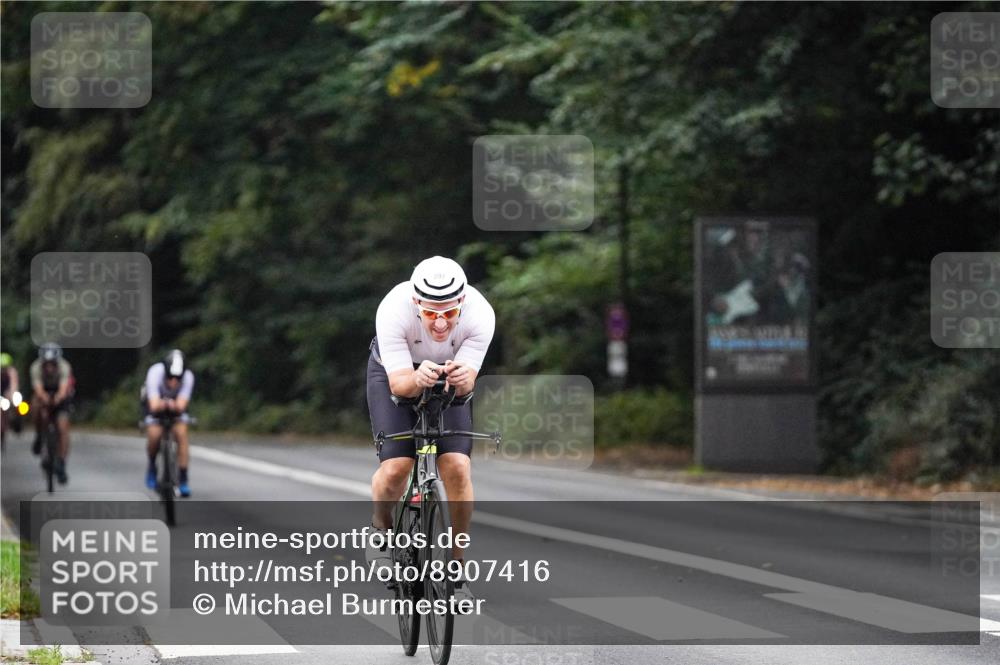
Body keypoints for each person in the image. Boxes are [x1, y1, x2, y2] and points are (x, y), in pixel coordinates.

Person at [365, 256, 495, 585]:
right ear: (416, 303)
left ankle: (456, 567)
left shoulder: (480, 314)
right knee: (397, 466)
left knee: (458, 468)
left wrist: (463, 380)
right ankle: (381, 526)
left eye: (450, 313)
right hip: (396, 372)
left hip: (445, 376)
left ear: (462, 303)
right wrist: (416, 377)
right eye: (431, 314)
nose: (440, 324)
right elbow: (399, 386)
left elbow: (466, 383)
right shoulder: (393, 308)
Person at [143, 349, 195, 497]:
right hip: (155, 410)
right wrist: (166, 404)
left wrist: (172, 405)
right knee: (154, 435)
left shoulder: (188, 377)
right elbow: (153, 404)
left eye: (177, 379)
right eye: (170, 377)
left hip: (176, 411)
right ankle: (152, 465)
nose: (173, 382)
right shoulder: (155, 372)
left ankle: (183, 477)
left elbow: (182, 404)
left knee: (181, 434)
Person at [30, 343, 73, 484]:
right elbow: (37, 388)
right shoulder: (35, 368)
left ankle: (61, 462)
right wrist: (45, 399)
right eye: (46, 364)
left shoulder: (65, 367)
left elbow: (63, 388)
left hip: (60, 396)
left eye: (52, 364)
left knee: (63, 427)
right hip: (43, 394)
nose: (49, 368)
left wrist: (58, 398)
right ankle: (38, 434)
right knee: (36, 406)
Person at [1, 352, 20, 449]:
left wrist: (11, 395)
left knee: (17, 401)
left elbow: (14, 385)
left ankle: (17, 420)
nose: (3, 369)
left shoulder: (12, 372)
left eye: (5, 367)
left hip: (8, 393)